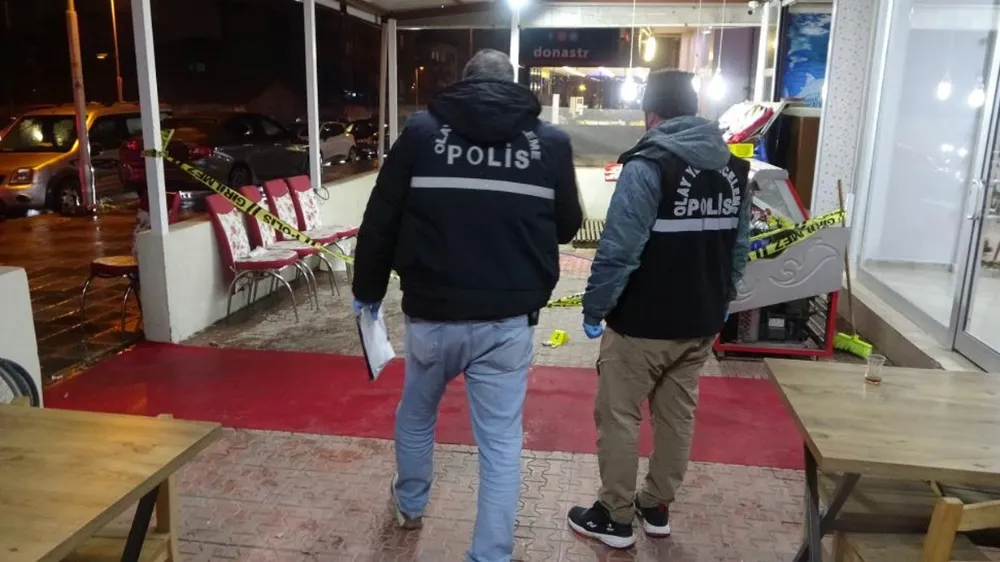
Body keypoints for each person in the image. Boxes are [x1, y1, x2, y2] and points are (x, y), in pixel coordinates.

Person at [351, 49, 583, 562]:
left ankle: (410, 505)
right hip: (507, 322)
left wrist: (367, 291)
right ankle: (490, 554)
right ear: (513, 86)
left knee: (416, 414)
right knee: (500, 443)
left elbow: (380, 220)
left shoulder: (421, 133)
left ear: (464, 83)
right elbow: (568, 225)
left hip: (433, 314)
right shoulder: (549, 143)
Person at [566, 69, 751, 549]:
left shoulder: (648, 165)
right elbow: (739, 250)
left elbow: (618, 250)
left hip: (642, 324)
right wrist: (721, 302)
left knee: (619, 415)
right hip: (700, 322)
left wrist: (595, 307)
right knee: (676, 416)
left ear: (651, 116)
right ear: (694, 111)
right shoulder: (733, 169)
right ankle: (656, 505)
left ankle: (614, 516)